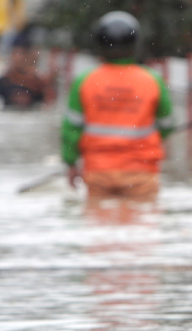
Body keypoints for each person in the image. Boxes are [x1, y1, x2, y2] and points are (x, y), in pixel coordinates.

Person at [61, 11, 174, 200]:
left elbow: (71, 129)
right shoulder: (152, 80)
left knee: (100, 224)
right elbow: (167, 124)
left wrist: (71, 163)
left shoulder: (85, 80)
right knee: (141, 224)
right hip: (141, 171)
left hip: (98, 172)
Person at [0, 31, 49, 109]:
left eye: (22, 53)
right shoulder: (3, 81)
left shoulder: (37, 81)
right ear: (10, 55)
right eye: (15, 53)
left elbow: (48, 106)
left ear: (28, 55)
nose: (18, 58)